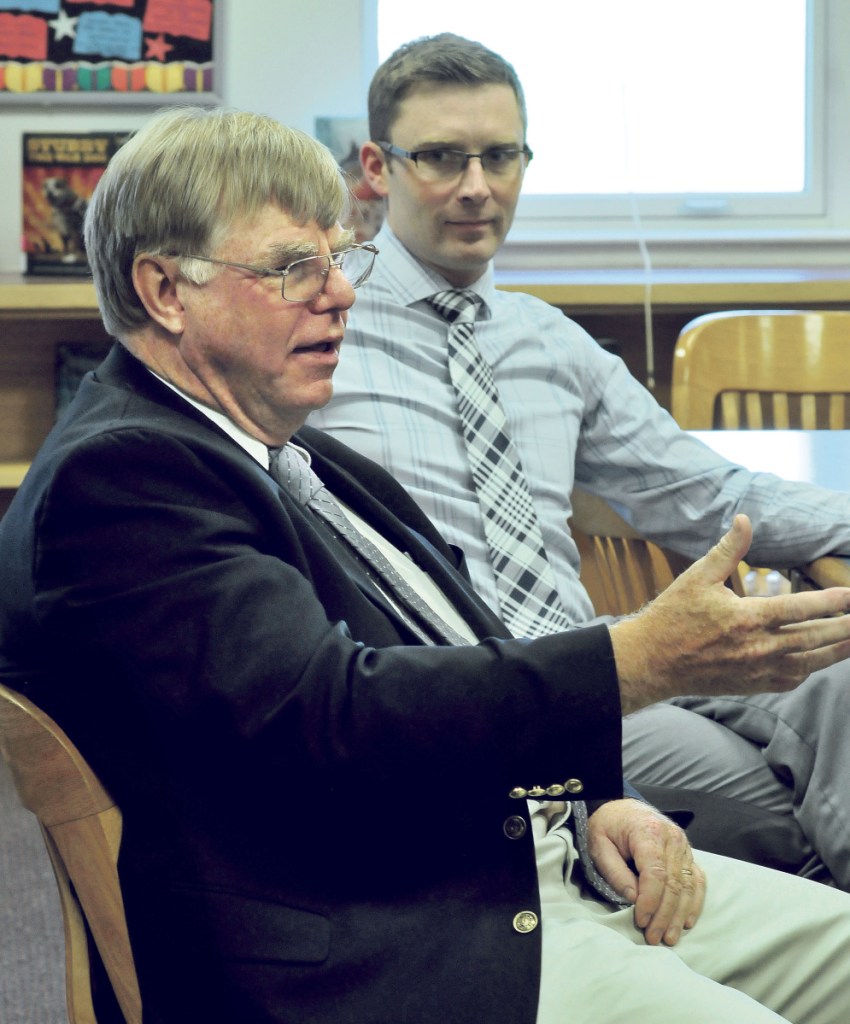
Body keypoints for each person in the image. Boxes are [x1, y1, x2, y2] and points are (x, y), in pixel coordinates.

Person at [4, 106, 850, 1024]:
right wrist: (637, 661)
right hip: (404, 943)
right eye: (295, 267)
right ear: (166, 290)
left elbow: (462, 640)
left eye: (339, 257)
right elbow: (331, 717)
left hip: (528, 866)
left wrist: (604, 796)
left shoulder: (290, 450)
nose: (340, 293)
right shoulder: (123, 479)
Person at [310, 31, 850, 887]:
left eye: (501, 155)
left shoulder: (549, 340)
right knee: (772, 806)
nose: (477, 187)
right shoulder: (318, 323)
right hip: (476, 686)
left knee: (840, 678)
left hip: (614, 646)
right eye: (442, 157)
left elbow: (710, 493)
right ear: (377, 166)